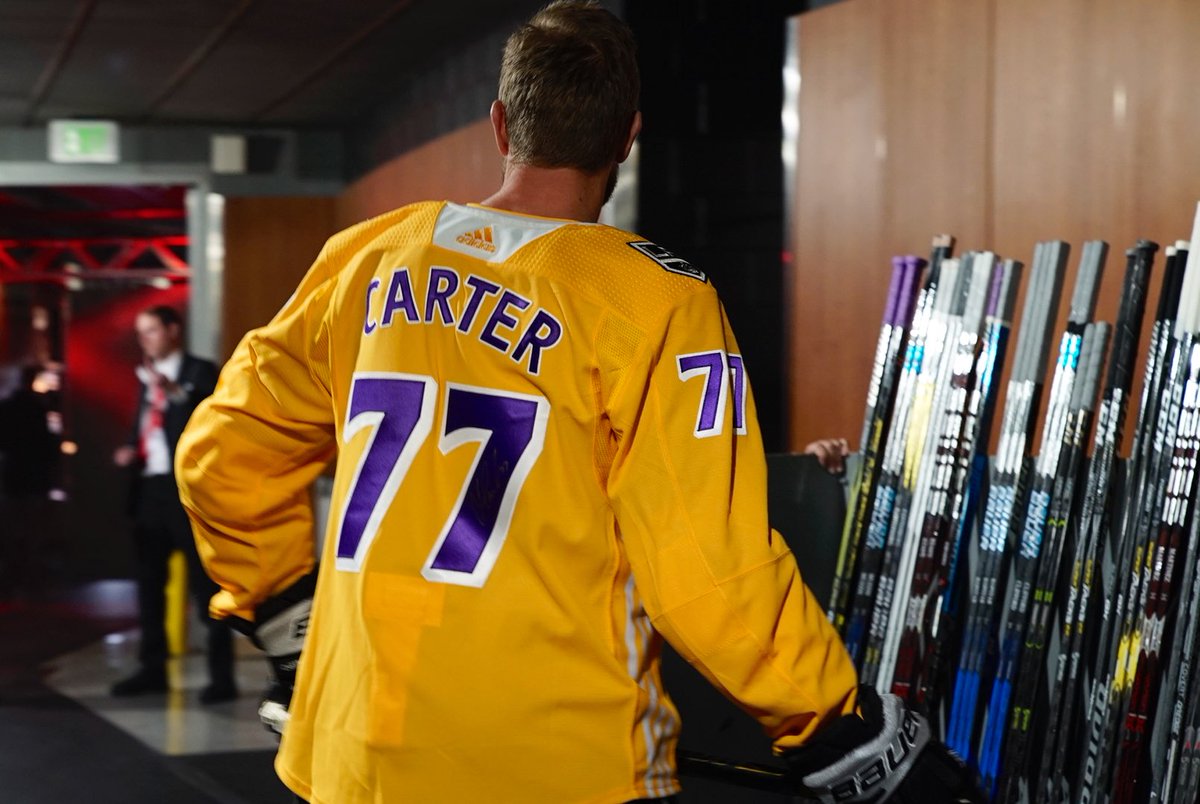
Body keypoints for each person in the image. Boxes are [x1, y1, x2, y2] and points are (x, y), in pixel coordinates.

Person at [175, 3, 982, 802]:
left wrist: (283, 611)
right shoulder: (654, 299)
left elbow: (223, 451)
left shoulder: (367, 257)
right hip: (559, 760)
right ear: (629, 135)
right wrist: (838, 728)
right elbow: (708, 567)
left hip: (354, 750)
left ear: (500, 125)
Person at [110, 305, 236, 704]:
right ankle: (153, 669)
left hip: (188, 492)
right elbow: (146, 426)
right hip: (150, 490)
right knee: (149, 585)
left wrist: (171, 390)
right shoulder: (144, 379)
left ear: (172, 330)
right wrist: (131, 449)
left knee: (205, 586)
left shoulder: (198, 371)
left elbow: (204, 414)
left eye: (151, 330)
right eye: (140, 332)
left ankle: (222, 676)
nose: (144, 338)